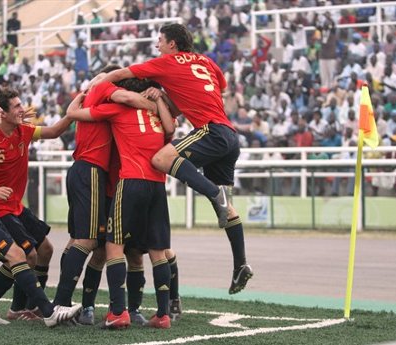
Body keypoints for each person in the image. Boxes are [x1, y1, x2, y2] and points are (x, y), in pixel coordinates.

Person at [89, 23, 253, 295]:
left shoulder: (166, 62)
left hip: (210, 131)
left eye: (160, 40)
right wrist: (166, 96)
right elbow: (213, 91)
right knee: (226, 211)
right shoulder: (207, 62)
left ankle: (213, 193)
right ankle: (241, 265)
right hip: (230, 136)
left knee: (161, 158)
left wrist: (96, 81)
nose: (157, 45)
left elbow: (122, 73)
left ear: (172, 45)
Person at [0, 91, 81, 326]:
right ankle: (47, 313)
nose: (0, 110)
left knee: (18, 256)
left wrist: (15, 117)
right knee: (19, 255)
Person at [67, 76, 176, 329]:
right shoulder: (159, 116)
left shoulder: (117, 108)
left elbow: (76, 114)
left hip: (129, 183)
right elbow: (171, 130)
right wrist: (158, 100)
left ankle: (118, 311)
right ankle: (163, 314)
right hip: (158, 186)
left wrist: (76, 104)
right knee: (158, 251)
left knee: (112, 247)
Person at [52, 66, 157, 323]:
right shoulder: (107, 91)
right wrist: (154, 102)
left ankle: (70, 304)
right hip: (92, 173)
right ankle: (62, 304)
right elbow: (124, 96)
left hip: (100, 177)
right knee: (90, 243)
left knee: (88, 243)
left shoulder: (95, 97)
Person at [0, 88, 73, 320]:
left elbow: (55, 131)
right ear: (2, 113)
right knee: (30, 254)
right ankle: (17, 309)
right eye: (16, 106)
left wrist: (73, 111)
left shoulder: (23, 131)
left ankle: (31, 305)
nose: (22, 109)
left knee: (46, 249)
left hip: (16, 206)